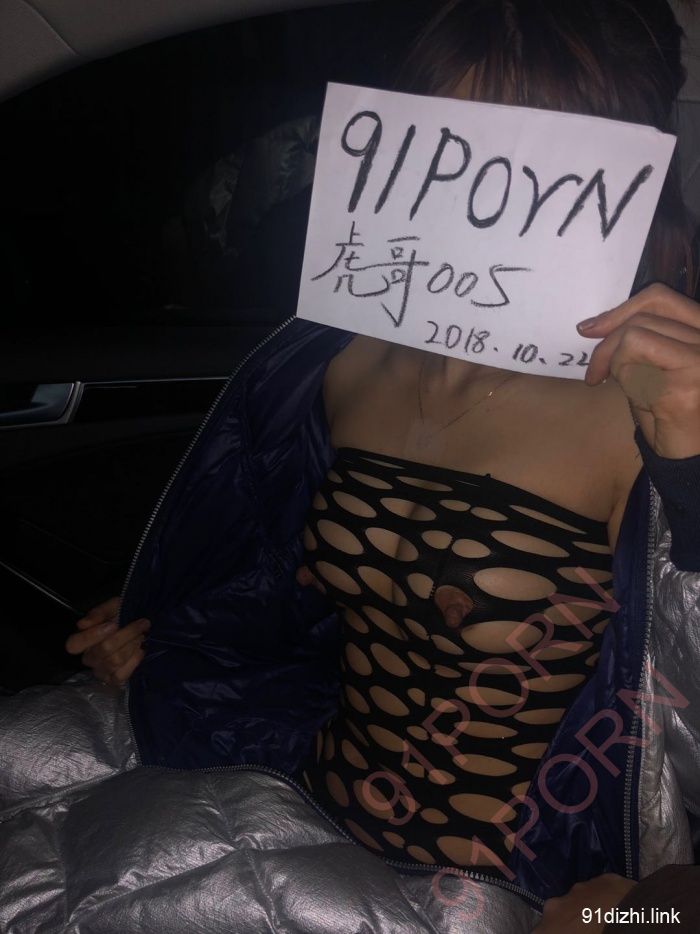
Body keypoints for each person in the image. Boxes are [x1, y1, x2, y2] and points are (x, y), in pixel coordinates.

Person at [5, 1, 700, 931]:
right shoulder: (338, 362)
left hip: (503, 890)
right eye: (449, 144)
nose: (487, 191)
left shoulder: (649, 413)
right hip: (306, 804)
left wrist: (643, 918)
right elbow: (279, 581)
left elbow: (677, 701)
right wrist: (168, 627)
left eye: (541, 162)